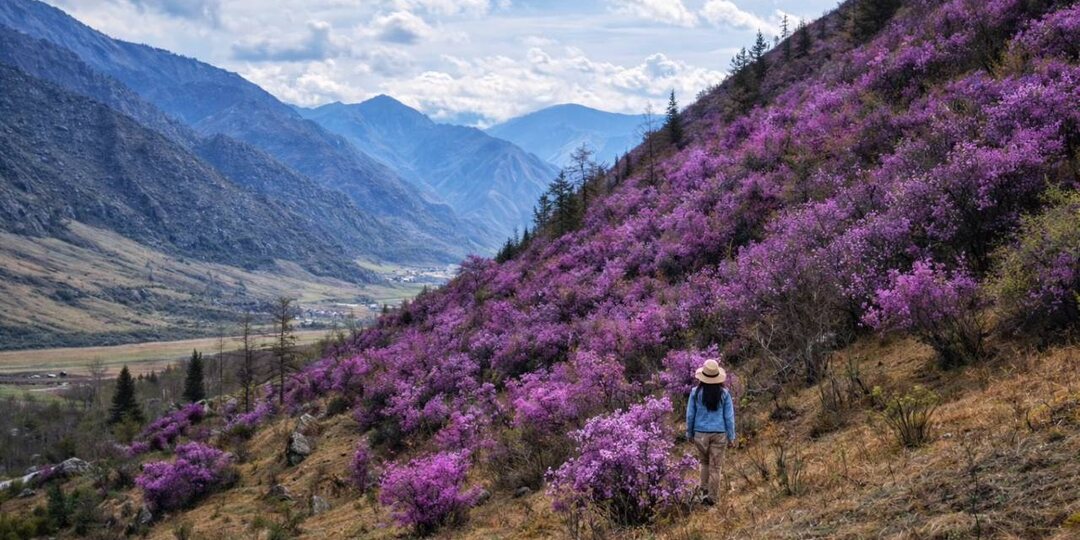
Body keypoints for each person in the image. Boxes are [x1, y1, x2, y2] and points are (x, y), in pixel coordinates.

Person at [685, 358, 736, 506]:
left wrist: (689, 433)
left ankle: (704, 493)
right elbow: (729, 417)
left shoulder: (695, 392)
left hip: (700, 434)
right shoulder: (724, 394)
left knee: (704, 463)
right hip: (719, 433)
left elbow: (690, 415)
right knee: (716, 467)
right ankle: (712, 499)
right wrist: (731, 436)